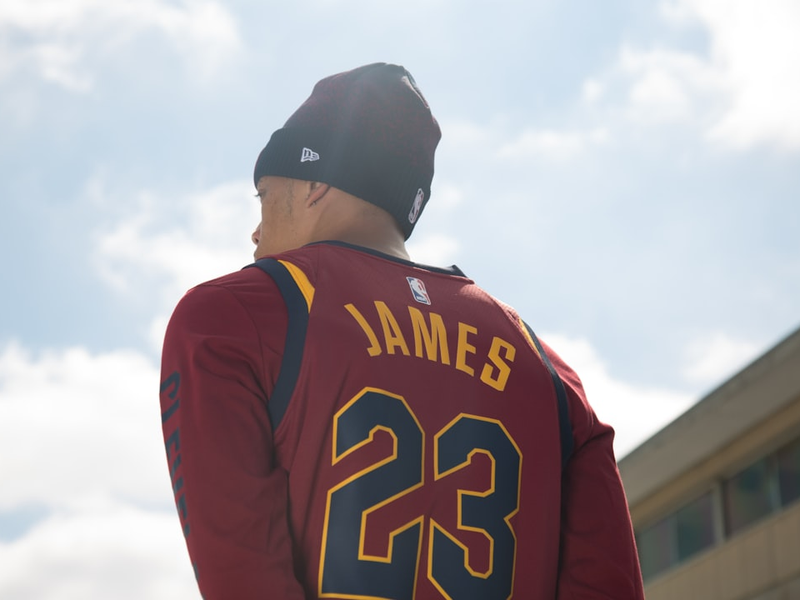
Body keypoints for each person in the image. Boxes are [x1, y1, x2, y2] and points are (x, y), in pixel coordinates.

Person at [159, 62, 645, 600]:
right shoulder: (551, 373)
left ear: (316, 182)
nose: (254, 231)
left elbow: (242, 582)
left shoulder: (228, 319)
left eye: (264, 197)